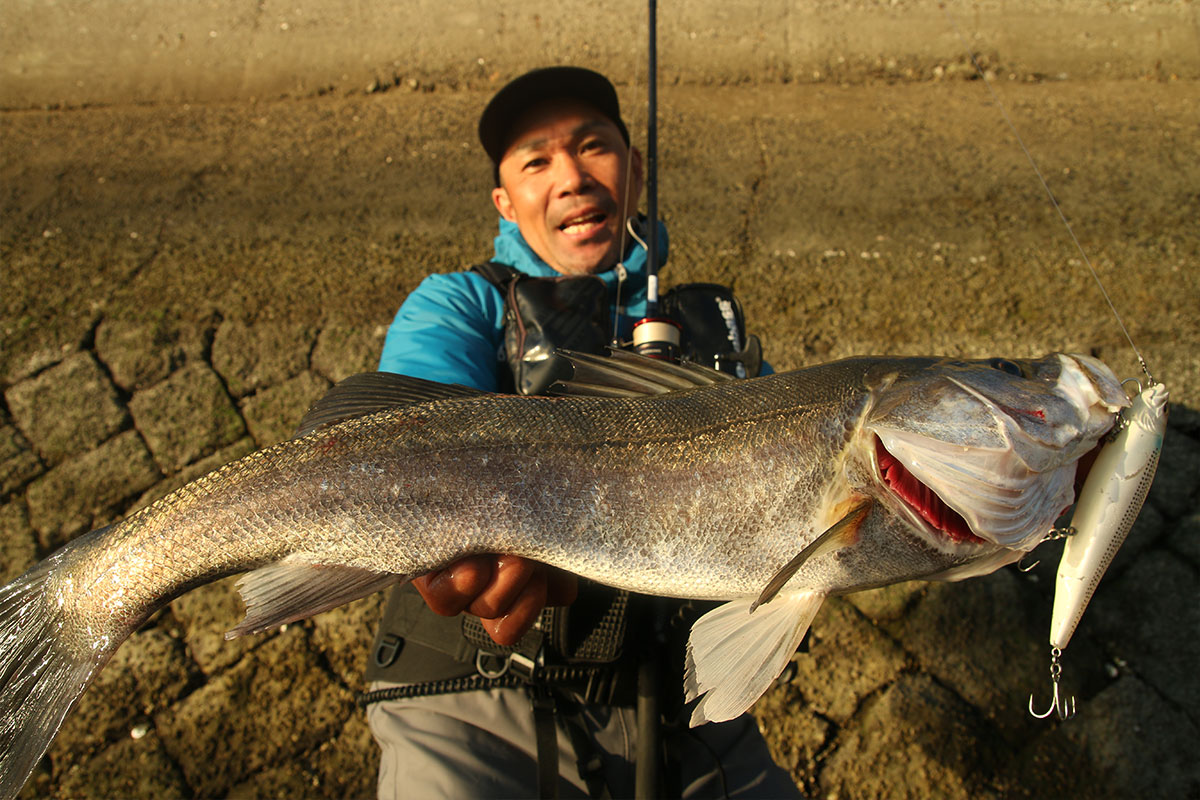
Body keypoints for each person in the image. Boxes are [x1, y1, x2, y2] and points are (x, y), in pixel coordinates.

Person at [361, 66, 800, 799]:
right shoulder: (459, 303)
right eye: (536, 161)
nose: (569, 177)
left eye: (593, 148)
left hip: (680, 699)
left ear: (634, 170)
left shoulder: (712, 324)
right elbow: (410, 448)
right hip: (473, 701)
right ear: (504, 201)